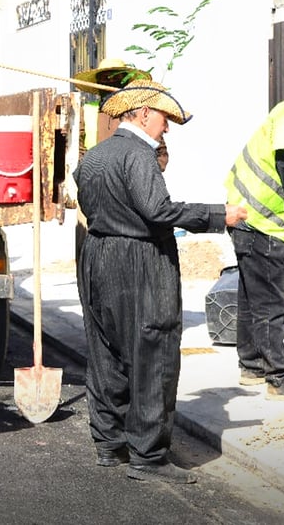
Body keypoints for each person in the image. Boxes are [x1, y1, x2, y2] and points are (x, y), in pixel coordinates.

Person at [73, 80, 247, 484]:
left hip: (98, 255)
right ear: (145, 114)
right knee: (153, 353)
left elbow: (86, 199)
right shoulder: (138, 155)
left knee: (106, 351)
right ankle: (147, 457)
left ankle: (108, 444)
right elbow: (158, 210)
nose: (167, 128)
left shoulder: (94, 157)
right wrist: (219, 216)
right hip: (139, 261)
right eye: (165, 118)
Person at [224, 97, 284, 401]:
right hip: (262, 220)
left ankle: (252, 365)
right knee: (271, 302)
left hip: (243, 211)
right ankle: (279, 377)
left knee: (251, 296)